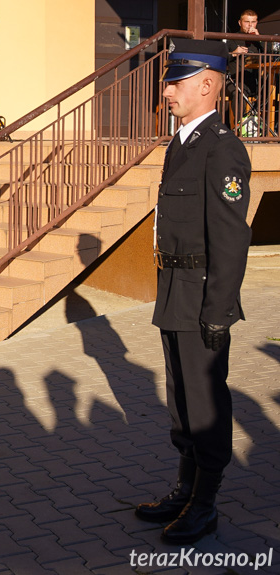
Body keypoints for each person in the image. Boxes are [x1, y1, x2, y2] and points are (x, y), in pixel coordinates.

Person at [135, 39, 251, 545]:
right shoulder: (181, 143)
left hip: (203, 294)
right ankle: (185, 489)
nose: (165, 92)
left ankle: (205, 504)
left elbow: (231, 237)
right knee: (181, 398)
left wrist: (220, 310)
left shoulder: (222, 148)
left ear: (207, 84)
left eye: (174, 82)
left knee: (205, 402)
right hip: (173, 290)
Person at [225, 10, 261, 104]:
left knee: (270, 90)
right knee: (239, 94)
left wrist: (259, 39)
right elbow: (221, 58)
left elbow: (272, 56)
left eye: (253, 22)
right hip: (235, 80)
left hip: (257, 82)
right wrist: (234, 53)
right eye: (247, 22)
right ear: (240, 23)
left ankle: (262, 119)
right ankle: (240, 119)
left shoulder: (260, 40)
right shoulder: (232, 39)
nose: (250, 25)